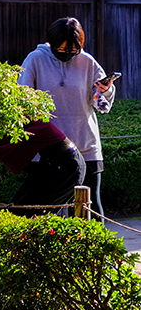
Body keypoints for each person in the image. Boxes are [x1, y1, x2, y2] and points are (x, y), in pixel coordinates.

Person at [20, 17, 114, 218]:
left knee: (91, 208)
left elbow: (98, 100)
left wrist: (105, 91)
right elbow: (23, 98)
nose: (68, 55)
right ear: (52, 44)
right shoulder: (35, 59)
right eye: (61, 51)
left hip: (86, 145)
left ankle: (95, 249)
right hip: (49, 150)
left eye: (73, 51)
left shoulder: (88, 62)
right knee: (51, 209)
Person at [0, 119, 84, 215]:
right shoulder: (20, 119)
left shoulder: (25, 121)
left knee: (31, 211)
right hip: (52, 164)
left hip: (66, 167)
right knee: (19, 206)